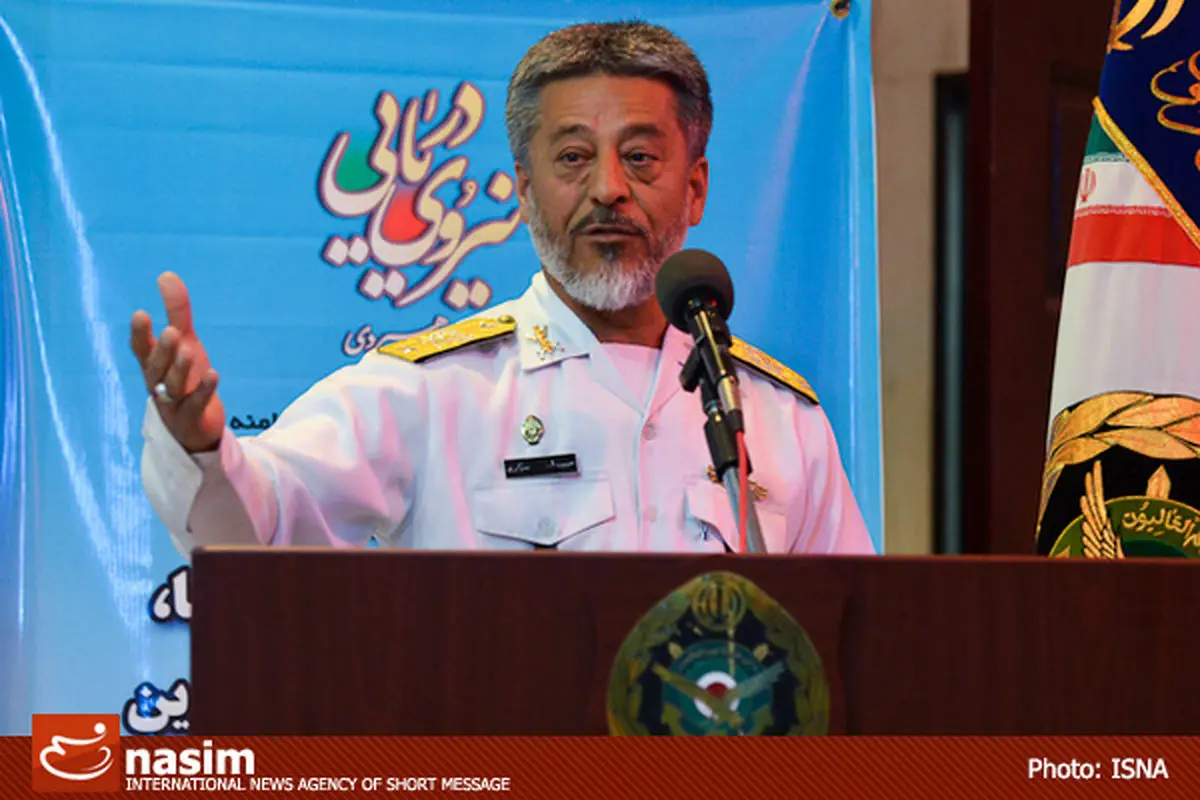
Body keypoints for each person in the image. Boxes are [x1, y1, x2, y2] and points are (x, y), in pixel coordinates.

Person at [131, 21, 874, 556]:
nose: (608, 189)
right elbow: (257, 524)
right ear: (523, 189)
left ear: (697, 188)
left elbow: (854, 642)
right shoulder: (432, 390)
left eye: (641, 157)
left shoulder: (778, 416)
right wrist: (200, 445)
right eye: (573, 157)